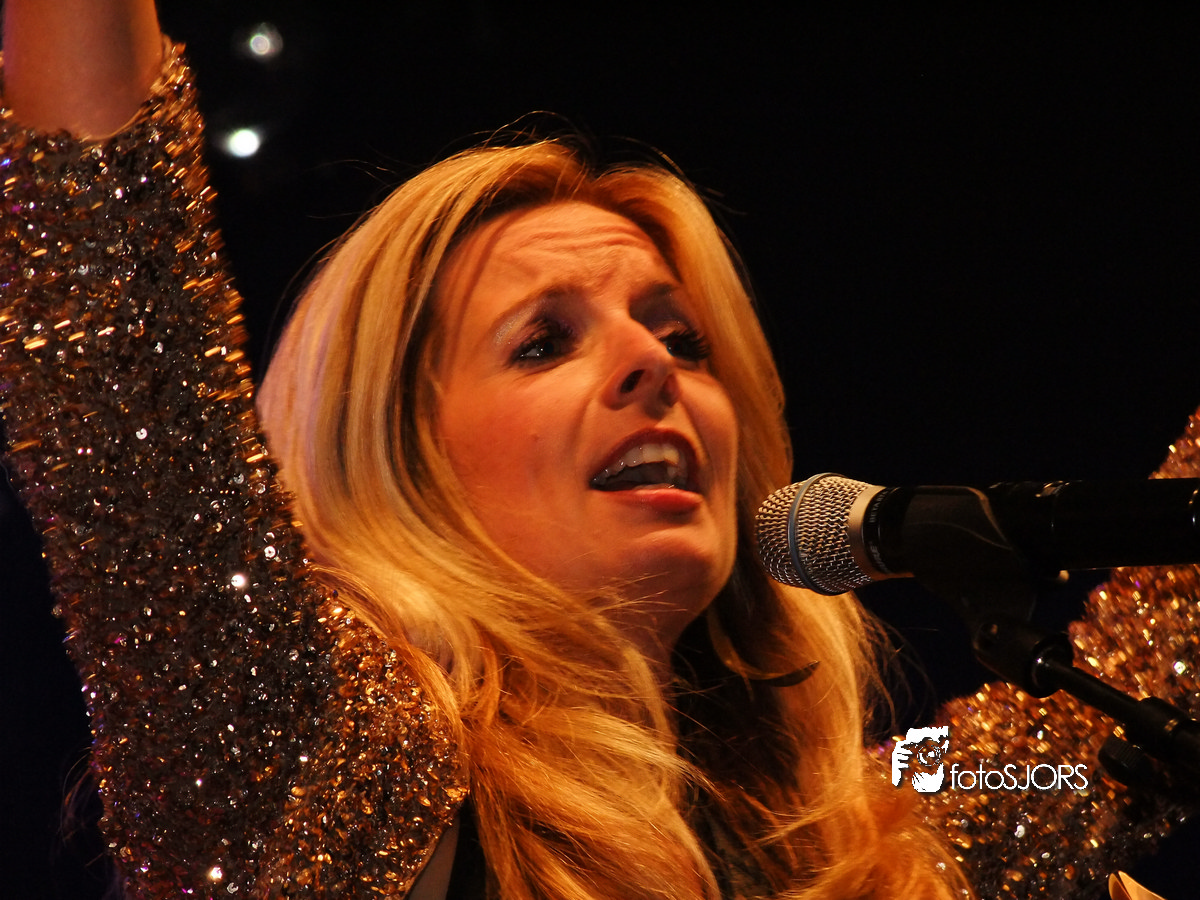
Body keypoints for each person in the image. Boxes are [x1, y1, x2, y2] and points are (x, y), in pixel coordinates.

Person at [1, 2, 1196, 898]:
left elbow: (1121, 709)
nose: (651, 366)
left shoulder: (875, 823)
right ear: (400, 460)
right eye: (543, 343)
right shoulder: (332, 770)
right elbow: (113, 336)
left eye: (682, 337)